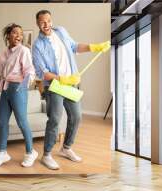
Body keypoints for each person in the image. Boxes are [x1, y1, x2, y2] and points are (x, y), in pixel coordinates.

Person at [32, 10, 110, 170]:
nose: (46, 24)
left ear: (51, 20)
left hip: (71, 84)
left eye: (48, 20)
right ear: (38, 24)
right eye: (42, 22)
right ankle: (46, 155)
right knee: (55, 119)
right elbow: (42, 73)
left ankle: (66, 148)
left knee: (76, 116)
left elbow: (75, 47)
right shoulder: (37, 46)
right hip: (55, 87)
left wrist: (94, 47)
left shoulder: (60, 31)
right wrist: (62, 79)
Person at [0, 23, 38, 168]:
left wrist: (21, 88)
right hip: (5, 89)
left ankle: (31, 152)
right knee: (2, 121)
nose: (19, 36)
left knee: (22, 121)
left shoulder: (24, 51)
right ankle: (2, 152)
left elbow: (30, 71)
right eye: (15, 33)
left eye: (20, 34)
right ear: (8, 35)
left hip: (18, 88)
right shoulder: (4, 52)